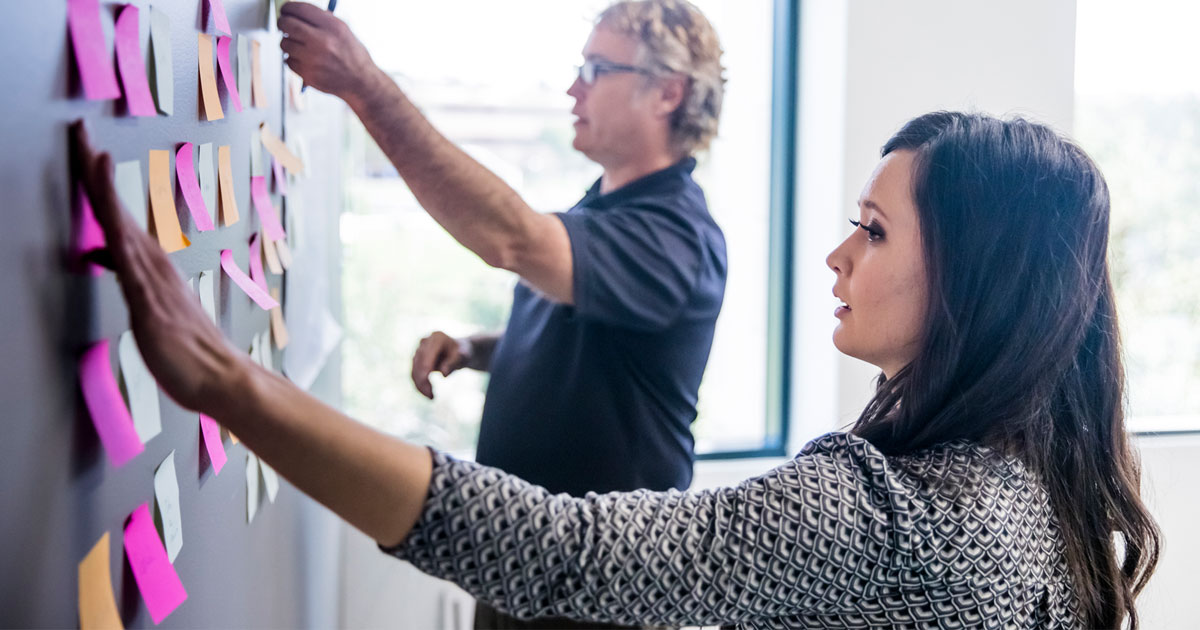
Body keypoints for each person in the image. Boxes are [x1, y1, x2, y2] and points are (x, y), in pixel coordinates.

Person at [70, 107, 1161, 628]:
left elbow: (563, 547)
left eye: (872, 232)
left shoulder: (892, 515)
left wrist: (235, 387)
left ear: (972, 279)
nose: (837, 254)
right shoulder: (1026, 488)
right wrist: (489, 351)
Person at [279, 4, 726, 624]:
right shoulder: (606, 208)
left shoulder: (676, 236)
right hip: (525, 566)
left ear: (668, 93)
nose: (574, 88)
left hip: (596, 591)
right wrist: (475, 348)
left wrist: (364, 85)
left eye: (597, 69)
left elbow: (510, 239)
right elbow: (587, 337)